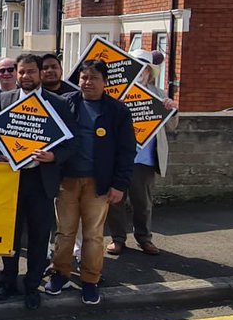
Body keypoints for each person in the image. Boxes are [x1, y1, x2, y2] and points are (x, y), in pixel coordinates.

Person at [44, 60, 136, 305]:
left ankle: (90, 280)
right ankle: (60, 274)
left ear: (105, 82)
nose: (87, 82)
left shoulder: (118, 111)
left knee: (94, 236)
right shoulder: (67, 103)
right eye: (84, 77)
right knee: (64, 232)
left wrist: (120, 184)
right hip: (67, 179)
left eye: (94, 78)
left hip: (100, 183)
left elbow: (127, 151)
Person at [0, 54, 76, 310]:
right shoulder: (4, 99)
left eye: (31, 71)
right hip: (12, 179)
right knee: (10, 236)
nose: (25, 76)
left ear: (40, 74)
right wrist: (0, 153)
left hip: (41, 180)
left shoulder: (58, 104)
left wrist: (54, 156)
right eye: (21, 72)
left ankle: (32, 286)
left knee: (40, 238)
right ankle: (7, 282)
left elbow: (72, 144)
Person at [107, 50, 179, 257]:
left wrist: (172, 110)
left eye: (143, 68)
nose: (139, 72)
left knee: (143, 203)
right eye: (135, 67)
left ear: (149, 72)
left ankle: (144, 238)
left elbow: (172, 127)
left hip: (144, 159)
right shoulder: (116, 94)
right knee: (115, 202)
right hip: (118, 158)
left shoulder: (160, 94)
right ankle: (117, 239)